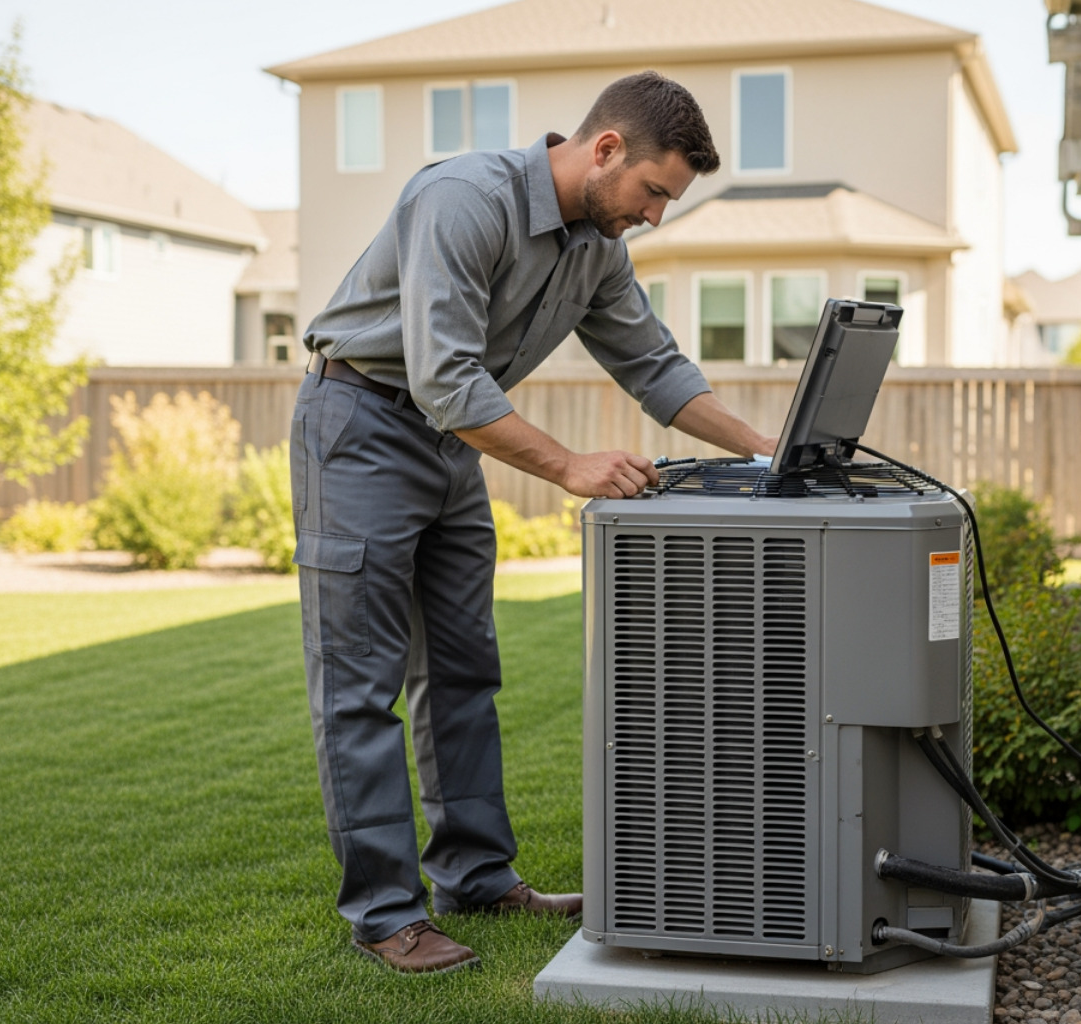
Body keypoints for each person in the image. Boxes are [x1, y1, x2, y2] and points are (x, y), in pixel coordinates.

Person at [291, 71, 776, 974]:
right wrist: (567, 465)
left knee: (465, 670)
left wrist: (766, 451)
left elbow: (656, 368)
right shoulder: (462, 200)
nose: (656, 216)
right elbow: (444, 376)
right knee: (359, 687)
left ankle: (477, 876)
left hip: (449, 443)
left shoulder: (596, 244)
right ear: (605, 151)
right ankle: (386, 913)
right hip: (359, 425)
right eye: (655, 192)